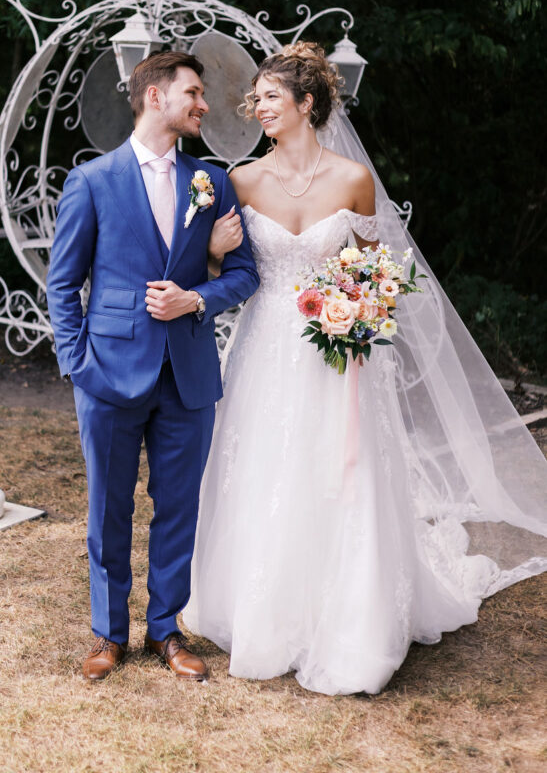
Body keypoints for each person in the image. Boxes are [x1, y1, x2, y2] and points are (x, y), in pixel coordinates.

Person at [184, 41, 547, 695]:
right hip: (264, 345)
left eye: (270, 96)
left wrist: (353, 326)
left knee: (339, 472)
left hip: (336, 353)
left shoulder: (351, 180)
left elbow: (378, 273)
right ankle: (263, 609)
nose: (257, 106)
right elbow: (225, 274)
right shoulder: (240, 180)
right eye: (256, 97)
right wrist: (212, 249)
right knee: (265, 465)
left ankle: (350, 622)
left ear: (307, 103)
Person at [47, 50, 259, 682]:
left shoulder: (213, 182)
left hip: (188, 373)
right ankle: (109, 634)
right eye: (193, 92)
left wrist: (196, 296)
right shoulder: (92, 181)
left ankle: (166, 629)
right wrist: (78, 365)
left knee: (180, 506)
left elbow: (245, 274)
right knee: (107, 507)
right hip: (108, 372)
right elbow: (63, 286)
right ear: (155, 97)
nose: (203, 104)